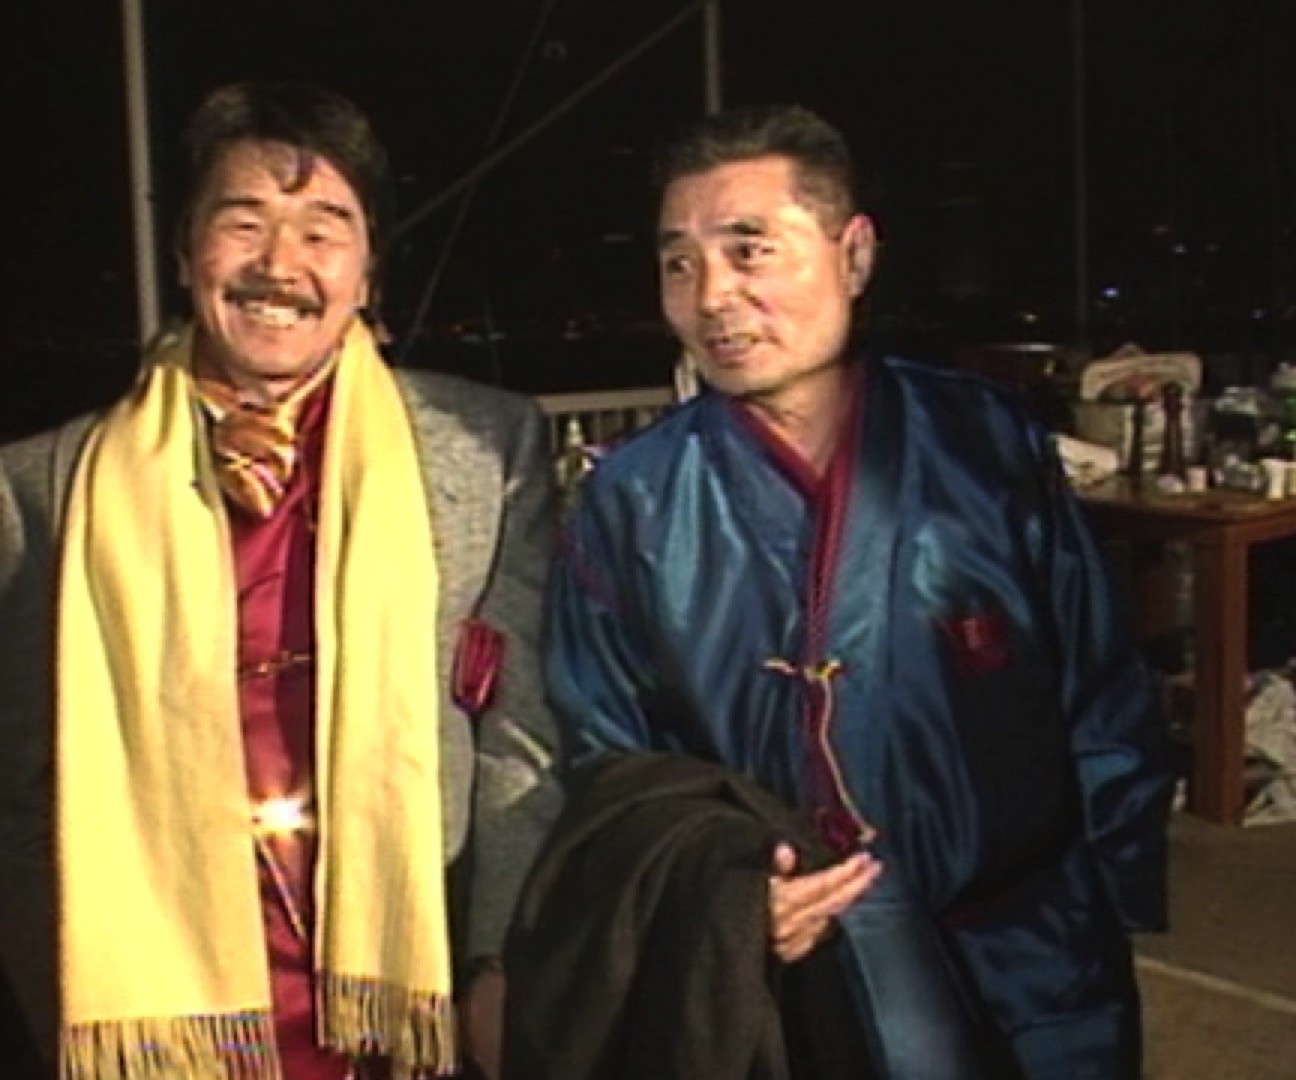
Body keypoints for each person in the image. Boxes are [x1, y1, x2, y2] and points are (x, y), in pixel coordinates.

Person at [542, 104, 1173, 1078]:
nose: (713, 295)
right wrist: (724, 901)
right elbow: (610, 761)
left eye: (750, 251)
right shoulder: (632, 502)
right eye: (678, 263)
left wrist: (1112, 886)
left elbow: (1099, 681)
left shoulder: (984, 440)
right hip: (798, 957)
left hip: (1029, 935)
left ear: (856, 255)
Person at [0, 81, 563, 1078]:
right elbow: (21, 789)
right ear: (186, 254)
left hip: (407, 984)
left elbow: (518, 733)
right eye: (243, 222)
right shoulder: (46, 481)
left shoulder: (482, 451)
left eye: (322, 229)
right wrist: (69, 1015)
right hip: (160, 1009)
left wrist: (495, 961)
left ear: (368, 267)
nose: (279, 265)